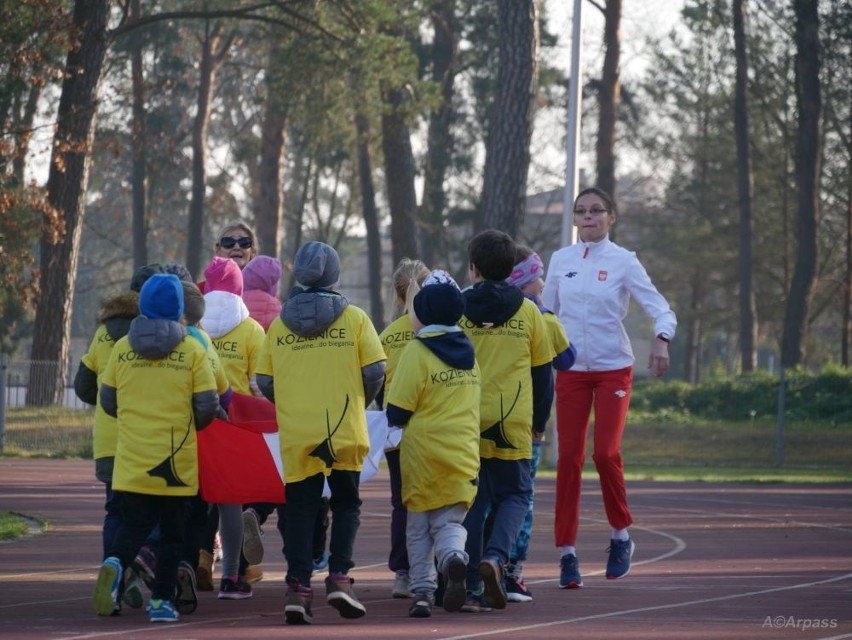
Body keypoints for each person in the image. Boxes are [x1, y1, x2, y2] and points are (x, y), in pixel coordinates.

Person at [541, 186, 677, 588]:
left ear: (610, 218)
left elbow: (660, 307)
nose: (588, 217)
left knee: (604, 453)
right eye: (581, 211)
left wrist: (661, 338)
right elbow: (546, 312)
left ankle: (621, 535)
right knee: (568, 458)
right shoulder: (560, 259)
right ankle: (567, 552)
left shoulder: (624, 262)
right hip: (570, 370)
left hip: (613, 368)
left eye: (596, 210)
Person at [256, 240, 386, 625]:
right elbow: (376, 370)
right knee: (346, 503)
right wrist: (360, 401)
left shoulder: (279, 326)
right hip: (343, 426)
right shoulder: (356, 319)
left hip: (298, 431)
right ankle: (340, 578)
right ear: (334, 275)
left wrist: (292, 403)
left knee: (299, 509)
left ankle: (297, 587)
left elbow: (264, 378)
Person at [92, 274, 219, 623]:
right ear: (178, 307)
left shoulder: (121, 348)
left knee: (133, 525)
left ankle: (116, 561)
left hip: (132, 459)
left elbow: (108, 401)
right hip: (176, 462)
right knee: (173, 536)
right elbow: (207, 404)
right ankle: (162, 601)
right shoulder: (192, 349)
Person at [459, 230, 554, 613]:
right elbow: (543, 373)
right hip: (512, 419)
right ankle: (497, 559)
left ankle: (468, 588)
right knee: (515, 494)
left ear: (473, 270)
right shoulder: (530, 311)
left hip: (465, 418)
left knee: (473, 501)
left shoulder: (458, 308)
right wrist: (540, 423)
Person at [385, 270, 481, 618]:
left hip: (423, 452)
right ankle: (454, 557)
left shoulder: (417, 351)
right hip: (463, 452)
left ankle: (423, 591)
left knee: (418, 526)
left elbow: (398, 406)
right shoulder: (469, 352)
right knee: (451, 522)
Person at [74, 262, 165, 609]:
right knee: (158, 509)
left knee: (115, 511)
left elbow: (84, 385)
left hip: (109, 441)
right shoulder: (161, 332)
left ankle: (113, 576)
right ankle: (143, 557)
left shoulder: (103, 332)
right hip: (146, 437)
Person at [499, 245, 576, 603]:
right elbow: (567, 359)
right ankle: (512, 572)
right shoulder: (540, 318)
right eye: (537, 278)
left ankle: (480, 566)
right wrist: (546, 314)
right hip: (525, 425)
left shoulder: (485, 312)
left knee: (485, 497)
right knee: (521, 498)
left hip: (484, 420)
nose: (543, 284)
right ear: (524, 282)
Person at [199, 256, 266, 599]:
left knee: (196, 500)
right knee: (231, 503)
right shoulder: (252, 330)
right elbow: (259, 386)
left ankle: (193, 557)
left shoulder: (194, 330)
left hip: (196, 422)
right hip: (236, 426)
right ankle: (231, 577)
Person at [375, 257, 431, 599]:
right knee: (439, 501)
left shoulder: (386, 336)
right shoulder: (437, 332)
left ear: (397, 297)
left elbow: (378, 384)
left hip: (397, 430)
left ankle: (403, 572)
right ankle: (435, 566)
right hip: (435, 429)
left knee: (402, 502)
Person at [197, 222, 258, 292]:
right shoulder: (199, 292)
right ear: (218, 250)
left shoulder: (263, 292)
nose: (237, 247)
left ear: (252, 251)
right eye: (228, 242)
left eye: (244, 242)